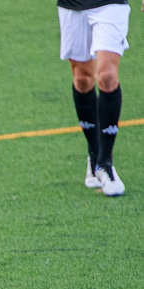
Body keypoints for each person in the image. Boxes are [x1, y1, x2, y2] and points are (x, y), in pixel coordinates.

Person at [58, 0, 134, 197]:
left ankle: (105, 163)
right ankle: (94, 153)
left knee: (107, 76)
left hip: (109, 4)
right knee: (82, 79)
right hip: (72, 5)